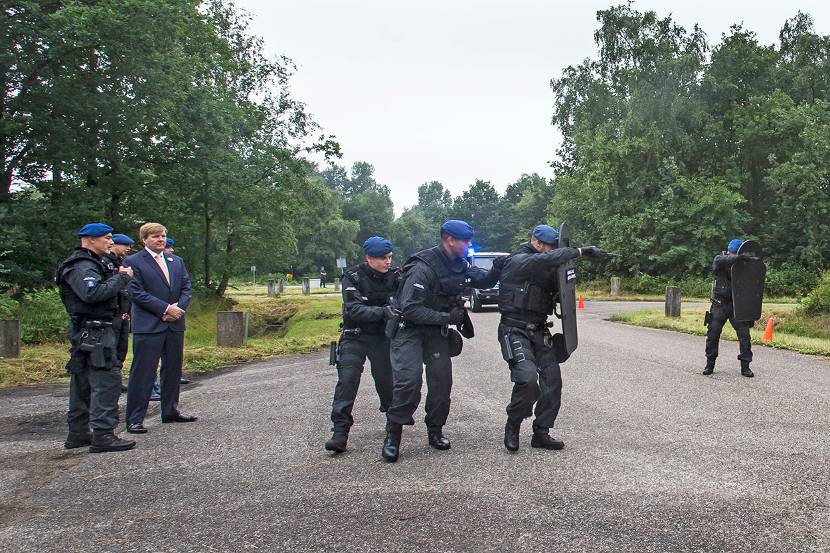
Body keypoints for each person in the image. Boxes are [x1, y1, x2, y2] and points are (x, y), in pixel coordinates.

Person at [381, 220, 501, 462]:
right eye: (465, 241)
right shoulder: (423, 268)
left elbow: (484, 281)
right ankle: (393, 435)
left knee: (441, 383)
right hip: (410, 331)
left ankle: (435, 431)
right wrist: (447, 317)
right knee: (409, 382)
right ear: (450, 240)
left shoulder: (460, 264)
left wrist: (498, 269)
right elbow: (411, 309)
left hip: (435, 332)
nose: (469, 245)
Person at [496, 225, 607, 452]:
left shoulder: (546, 266)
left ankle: (541, 432)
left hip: (539, 330)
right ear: (537, 243)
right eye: (551, 247)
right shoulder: (519, 260)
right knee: (527, 380)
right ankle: (513, 424)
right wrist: (580, 251)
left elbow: (562, 290)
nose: (554, 251)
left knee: (553, 381)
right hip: (515, 329)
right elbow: (544, 261)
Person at [56, 223, 136, 453]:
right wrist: (121, 278)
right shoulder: (82, 265)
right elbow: (92, 293)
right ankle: (103, 435)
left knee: (84, 382)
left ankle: (79, 433)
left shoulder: (97, 262)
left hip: (95, 329)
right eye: (107, 238)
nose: (111, 242)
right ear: (90, 239)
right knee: (105, 381)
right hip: (95, 331)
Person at [325, 237, 398, 453]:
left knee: (386, 381)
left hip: (382, 337)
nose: (387, 262)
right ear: (368, 258)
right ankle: (340, 433)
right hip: (354, 336)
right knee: (347, 381)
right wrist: (384, 312)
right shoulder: (353, 277)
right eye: (383, 258)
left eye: (389, 257)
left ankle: (393, 421)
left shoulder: (396, 276)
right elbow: (354, 309)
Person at [124, 223, 196, 434]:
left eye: (163, 236)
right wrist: (165, 309)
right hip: (149, 324)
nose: (160, 239)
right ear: (144, 239)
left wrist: (178, 309)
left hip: (174, 323)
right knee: (144, 372)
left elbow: (186, 288)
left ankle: (170, 410)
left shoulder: (176, 261)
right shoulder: (133, 262)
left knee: (173, 369)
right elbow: (136, 292)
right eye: (155, 236)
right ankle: (135, 418)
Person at [704, 239, 754, 378]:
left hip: (737, 305)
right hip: (719, 304)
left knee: (744, 335)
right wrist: (739, 258)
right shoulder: (719, 259)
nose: (735, 255)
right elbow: (724, 260)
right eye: (734, 253)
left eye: (737, 253)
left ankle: (745, 367)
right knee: (713, 334)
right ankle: (709, 364)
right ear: (729, 251)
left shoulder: (743, 265)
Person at [103, 233, 134, 394]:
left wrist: (127, 311)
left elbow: (126, 290)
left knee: (122, 349)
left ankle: (116, 380)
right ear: (115, 244)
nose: (128, 249)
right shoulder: (105, 263)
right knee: (112, 350)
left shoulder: (122, 263)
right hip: (112, 315)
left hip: (123, 313)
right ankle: (110, 382)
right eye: (125, 245)